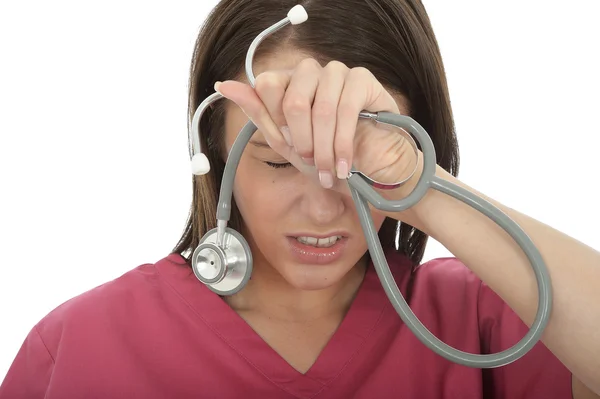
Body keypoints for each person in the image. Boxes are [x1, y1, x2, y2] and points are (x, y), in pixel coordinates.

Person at [1, 0, 599, 397]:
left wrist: (414, 181)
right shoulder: (81, 346)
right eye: (280, 161)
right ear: (209, 145)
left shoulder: (489, 320)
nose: (322, 209)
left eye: (352, 166)